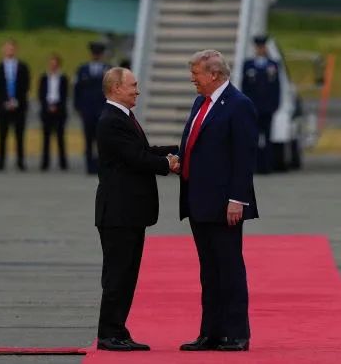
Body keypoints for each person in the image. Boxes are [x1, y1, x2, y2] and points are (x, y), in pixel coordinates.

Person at [178, 50, 259, 353]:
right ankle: (210, 333)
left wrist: (237, 199)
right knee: (209, 271)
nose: (192, 79)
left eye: (196, 73)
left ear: (213, 74)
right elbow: (195, 144)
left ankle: (237, 333)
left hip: (225, 204)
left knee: (229, 268)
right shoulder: (201, 102)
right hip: (198, 201)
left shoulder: (239, 105)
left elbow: (244, 157)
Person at [95, 67, 180, 352]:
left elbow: (143, 150)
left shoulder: (122, 117)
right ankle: (109, 334)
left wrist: (176, 150)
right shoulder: (111, 120)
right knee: (117, 275)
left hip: (129, 213)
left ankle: (118, 329)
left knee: (127, 275)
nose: (137, 91)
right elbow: (135, 158)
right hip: (118, 213)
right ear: (116, 88)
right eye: (132, 85)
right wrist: (168, 164)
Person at [241, 35, 283, 175]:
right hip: (253, 107)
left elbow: (276, 87)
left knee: (267, 137)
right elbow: (245, 87)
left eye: (262, 47)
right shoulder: (248, 65)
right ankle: (254, 165)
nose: (260, 49)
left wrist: (275, 104)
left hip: (267, 107)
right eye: (258, 47)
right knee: (253, 138)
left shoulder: (273, 65)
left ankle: (266, 165)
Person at [0, 39, 30, 171]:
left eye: (12, 48)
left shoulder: (22, 67)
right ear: (3, 50)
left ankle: (20, 162)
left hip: (19, 106)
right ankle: (1, 162)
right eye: (7, 48)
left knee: (19, 136)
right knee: (2, 135)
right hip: (4, 107)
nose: (10, 51)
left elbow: (25, 86)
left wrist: (16, 101)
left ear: (16, 50)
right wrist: (5, 101)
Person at [74, 41, 110, 174]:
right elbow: (77, 89)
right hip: (88, 109)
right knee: (88, 138)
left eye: (98, 53)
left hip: (103, 110)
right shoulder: (82, 69)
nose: (96, 55)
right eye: (94, 53)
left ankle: (102, 165)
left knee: (102, 139)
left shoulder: (109, 69)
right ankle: (89, 165)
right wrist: (78, 106)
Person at [38, 53, 69, 171]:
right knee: (46, 138)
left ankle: (63, 163)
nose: (53, 66)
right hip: (47, 109)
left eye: (55, 64)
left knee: (60, 137)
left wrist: (57, 106)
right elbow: (41, 94)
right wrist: (47, 106)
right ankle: (45, 163)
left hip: (59, 110)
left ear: (58, 65)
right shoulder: (44, 78)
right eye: (51, 64)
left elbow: (65, 95)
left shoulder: (63, 78)